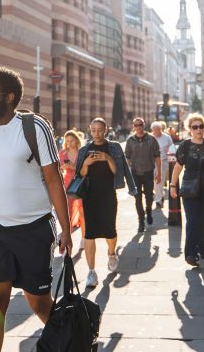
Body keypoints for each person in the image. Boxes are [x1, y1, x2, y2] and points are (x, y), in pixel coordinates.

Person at [0, 67, 72, 352]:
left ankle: (71, 343)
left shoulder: (33, 127)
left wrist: (66, 228)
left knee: (38, 301)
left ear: (9, 97)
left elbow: (54, 178)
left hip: (33, 230)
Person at [76, 117, 137, 288]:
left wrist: (107, 158)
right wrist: (87, 164)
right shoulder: (84, 150)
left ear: (106, 130)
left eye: (100, 130)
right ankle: (91, 272)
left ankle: (111, 254)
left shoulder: (114, 147)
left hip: (108, 195)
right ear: (90, 130)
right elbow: (79, 175)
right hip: (90, 196)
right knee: (89, 233)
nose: (96, 133)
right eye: (93, 130)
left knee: (110, 231)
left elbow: (120, 169)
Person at [170, 113, 204, 267]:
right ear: (190, 129)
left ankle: (202, 248)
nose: (199, 129)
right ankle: (191, 254)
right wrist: (173, 186)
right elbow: (178, 167)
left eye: (201, 126)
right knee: (192, 221)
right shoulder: (185, 146)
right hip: (189, 186)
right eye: (195, 127)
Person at [125, 118, 161, 232]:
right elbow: (128, 158)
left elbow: (157, 156)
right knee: (137, 198)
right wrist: (127, 175)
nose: (138, 127)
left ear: (144, 125)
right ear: (133, 126)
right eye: (136, 125)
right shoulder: (130, 140)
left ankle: (149, 210)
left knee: (149, 196)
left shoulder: (151, 139)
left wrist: (159, 172)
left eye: (140, 125)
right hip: (135, 173)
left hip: (148, 172)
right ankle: (141, 221)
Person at [59, 129, 85, 250]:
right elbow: (59, 169)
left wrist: (72, 166)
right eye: (67, 141)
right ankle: (67, 238)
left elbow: (85, 169)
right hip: (68, 184)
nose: (70, 143)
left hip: (80, 183)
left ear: (76, 140)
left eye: (72, 140)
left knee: (82, 211)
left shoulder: (82, 153)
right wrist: (63, 167)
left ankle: (84, 238)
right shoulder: (62, 153)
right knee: (67, 212)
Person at [151, 121, 174, 210]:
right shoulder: (150, 138)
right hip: (152, 163)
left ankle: (158, 201)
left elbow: (172, 149)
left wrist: (171, 160)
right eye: (155, 130)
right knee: (153, 183)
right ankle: (161, 195)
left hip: (163, 162)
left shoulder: (167, 137)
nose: (157, 131)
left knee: (159, 182)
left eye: (159, 129)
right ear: (152, 130)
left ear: (161, 129)